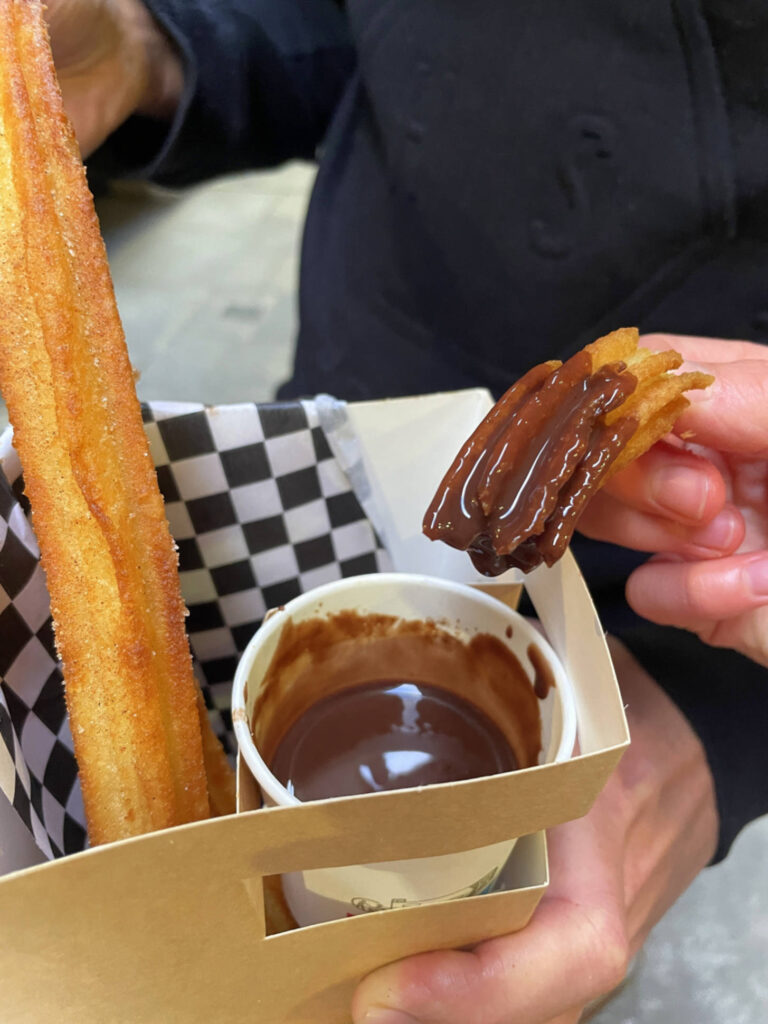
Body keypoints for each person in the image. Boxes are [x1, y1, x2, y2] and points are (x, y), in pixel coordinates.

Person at [42, 2, 768, 1021]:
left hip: (678, 604)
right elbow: (345, 29)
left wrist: (716, 734)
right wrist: (149, 48)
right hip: (316, 476)